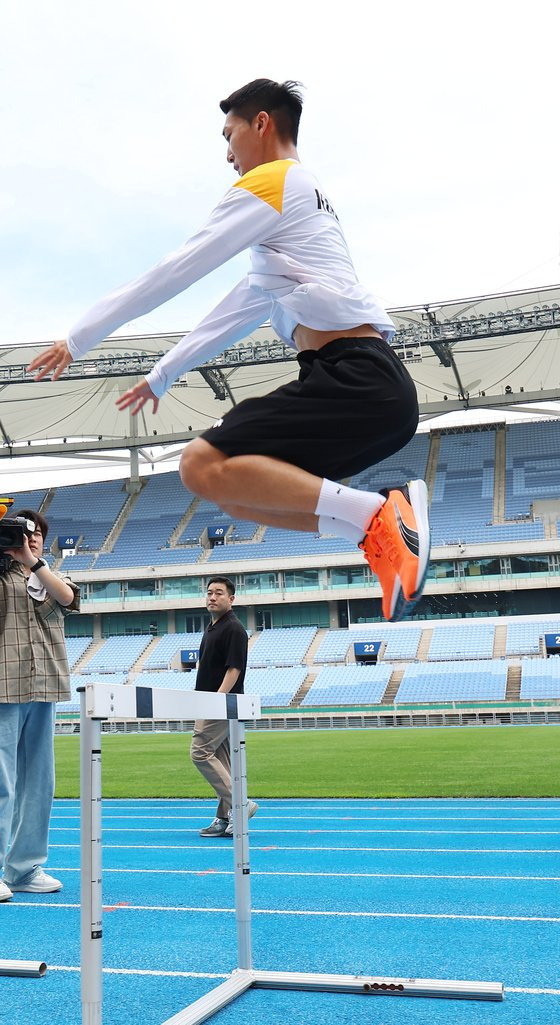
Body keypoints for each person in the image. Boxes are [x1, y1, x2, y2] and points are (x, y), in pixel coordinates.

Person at [28, 78, 430, 623]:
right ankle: (374, 532)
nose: (227, 153)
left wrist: (77, 339)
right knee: (237, 492)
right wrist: (163, 375)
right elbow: (231, 315)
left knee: (199, 463)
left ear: (260, 123)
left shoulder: (274, 182)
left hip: (355, 378)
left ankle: (381, 513)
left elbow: (176, 269)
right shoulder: (291, 228)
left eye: (230, 133)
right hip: (374, 391)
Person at [0, 509, 80, 902]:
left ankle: (24, 867)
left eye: (36, 535)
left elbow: (67, 598)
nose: (28, 539)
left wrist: (33, 563)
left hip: (44, 685)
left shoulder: (50, 576)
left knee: (39, 784)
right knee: (2, 782)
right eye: (20, 533)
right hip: (3, 687)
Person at [192, 577, 256, 838]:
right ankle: (223, 817)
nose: (212, 597)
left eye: (219, 593)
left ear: (231, 599)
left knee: (200, 752)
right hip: (209, 701)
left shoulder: (234, 629)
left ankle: (241, 803)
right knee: (222, 761)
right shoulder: (211, 628)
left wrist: (216, 700)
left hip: (221, 703)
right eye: (209, 592)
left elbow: (234, 669)